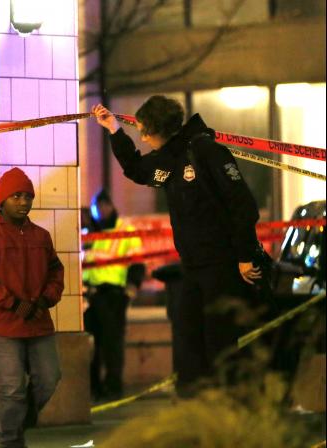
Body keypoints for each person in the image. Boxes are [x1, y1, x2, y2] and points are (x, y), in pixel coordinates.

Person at [92, 97, 263, 397]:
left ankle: (230, 416)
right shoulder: (167, 158)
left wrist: (246, 256)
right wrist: (114, 130)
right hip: (191, 268)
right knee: (188, 345)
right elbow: (135, 169)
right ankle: (194, 414)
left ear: (163, 130)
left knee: (220, 344)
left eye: (145, 131)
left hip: (221, 267)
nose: (142, 138)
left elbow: (243, 205)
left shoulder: (207, 152)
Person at [0, 167, 63, 448]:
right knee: (10, 387)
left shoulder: (41, 237)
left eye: (27, 196)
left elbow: (56, 273)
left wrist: (45, 299)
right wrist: (13, 303)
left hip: (37, 320)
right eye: (16, 196)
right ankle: (11, 440)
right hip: (0, 324)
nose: (23, 202)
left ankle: (18, 421)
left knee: (49, 377)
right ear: (2, 200)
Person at [82, 189, 142, 400]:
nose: (101, 210)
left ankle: (113, 387)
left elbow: (137, 262)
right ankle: (95, 387)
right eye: (98, 207)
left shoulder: (125, 230)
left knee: (112, 344)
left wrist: (132, 287)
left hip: (114, 295)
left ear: (111, 206)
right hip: (90, 296)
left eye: (104, 206)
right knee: (92, 345)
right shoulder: (88, 232)